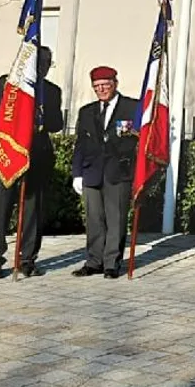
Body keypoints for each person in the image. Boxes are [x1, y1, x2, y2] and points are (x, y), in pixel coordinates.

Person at [0, 46, 64, 278]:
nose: (42, 69)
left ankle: (27, 259)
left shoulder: (52, 91)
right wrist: (15, 125)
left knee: (32, 212)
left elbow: (57, 123)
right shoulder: (5, 84)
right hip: (6, 155)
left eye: (47, 64)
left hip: (37, 158)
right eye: (39, 64)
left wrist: (38, 120)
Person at [70, 66, 139, 279]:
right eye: (97, 87)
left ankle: (111, 263)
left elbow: (141, 139)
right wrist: (77, 173)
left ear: (115, 84)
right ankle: (93, 261)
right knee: (94, 220)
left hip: (118, 172)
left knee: (116, 219)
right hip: (92, 172)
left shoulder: (132, 107)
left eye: (105, 85)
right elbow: (80, 144)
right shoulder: (87, 111)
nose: (101, 90)